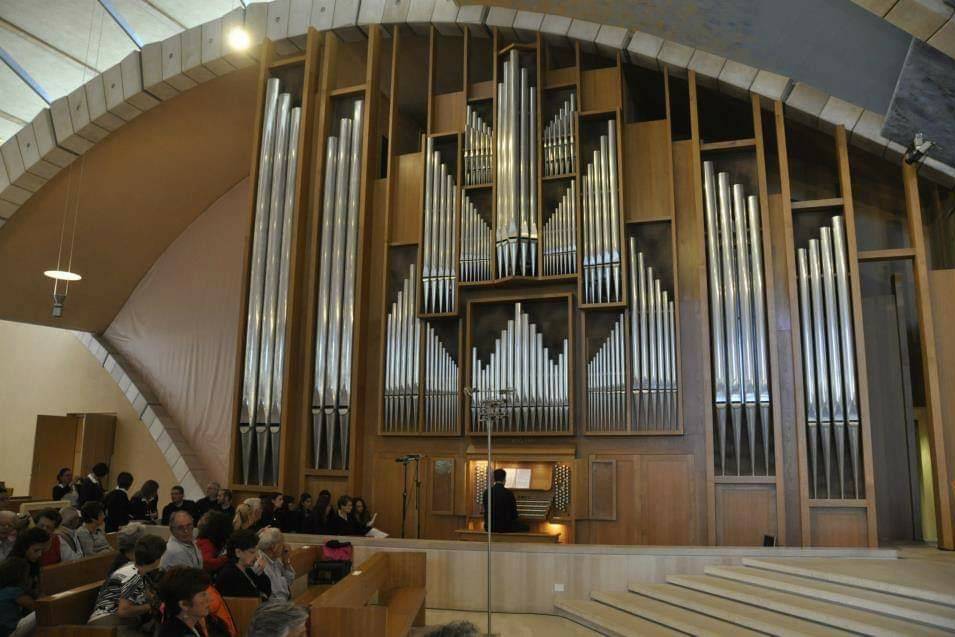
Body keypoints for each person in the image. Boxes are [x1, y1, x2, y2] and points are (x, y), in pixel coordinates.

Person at [87, 534, 165, 636]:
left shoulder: (136, 571)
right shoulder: (133, 574)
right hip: (107, 625)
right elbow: (123, 611)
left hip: (116, 624)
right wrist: (151, 606)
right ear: (156, 559)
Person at [214, 530, 270, 600]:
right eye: (252, 552)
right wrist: (262, 595)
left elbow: (267, 592)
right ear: (238, 552)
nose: (257, 556)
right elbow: (253, 599)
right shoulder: (230, 574)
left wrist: (260, 572)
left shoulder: (247, 569)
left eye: (257, 551)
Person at [156, 567, 211, 637]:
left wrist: (204, 628)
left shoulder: (189, 623)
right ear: (184, 605)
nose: (210, 598)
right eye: (203, 595)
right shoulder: (174, 633)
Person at [482, 468, 528, 533]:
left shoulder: (486, 492)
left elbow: (485, 510)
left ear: (494, 479)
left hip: (489, 527)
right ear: (504, 479)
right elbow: (514, 515)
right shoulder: (509, 493)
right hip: (505, 527)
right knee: (527, 527)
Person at [255, 528, 294, 602]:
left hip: (283, 603)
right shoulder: (261, 563)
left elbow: (290, 581)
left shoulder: (276, 560)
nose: (284, 547)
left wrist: (286, 561)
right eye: (282, 544)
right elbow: (274, 595)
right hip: (273, 606)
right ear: (274, 547)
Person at [10, 528, 48, 601]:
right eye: (36, 550)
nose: (40, 554)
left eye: (42, 551)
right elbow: (20, 596)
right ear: (24, 547)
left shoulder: (33, 562)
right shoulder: (15, 564)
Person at [0, 557, 35, 637]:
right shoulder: (13, 591)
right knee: (43, 612)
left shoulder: (3, 591)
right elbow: (34, 606)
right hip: (10, 631)